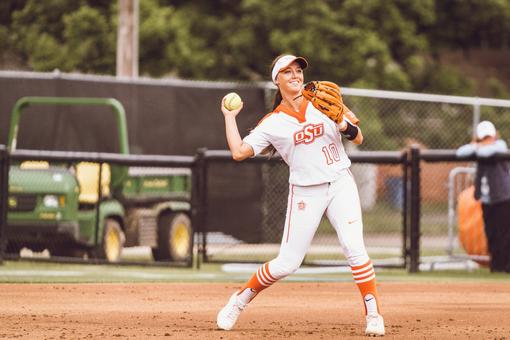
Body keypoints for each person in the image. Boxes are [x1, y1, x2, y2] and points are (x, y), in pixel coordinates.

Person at [216, 54, 385, 336]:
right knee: (287, 263)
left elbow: (358, 137)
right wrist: (229, 118)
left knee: (354, 248)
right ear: (277, 81)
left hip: (340, 182)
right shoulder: (272, 122)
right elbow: (238, 152)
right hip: (306, 191)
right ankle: (239, 300)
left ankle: (374, 314)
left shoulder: (324, 100)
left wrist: (343, 125)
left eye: (298, 70)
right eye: (287, 72)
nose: (295, 75)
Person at [456, 120, 510, 272]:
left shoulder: (499, 146)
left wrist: (479, 146)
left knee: (505, 233)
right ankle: (497, 266)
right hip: (487, 199)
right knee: (491, 233)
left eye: (488, 137)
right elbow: (461, 152)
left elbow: (488, 152)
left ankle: (507, 266)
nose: (486, 140)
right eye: (483, 137)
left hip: (504, 197)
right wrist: (477, 145)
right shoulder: (479, 147)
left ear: (493, 136)